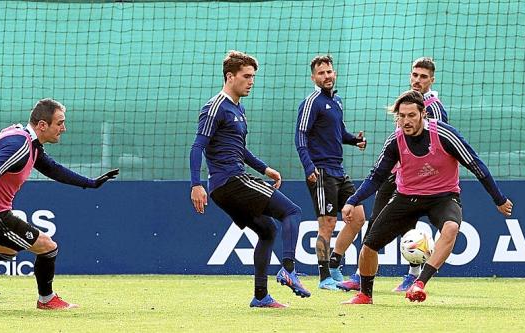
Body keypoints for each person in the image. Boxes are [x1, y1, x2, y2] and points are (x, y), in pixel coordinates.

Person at [0, 98, 119, 310]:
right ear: (42, 125)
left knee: (6, 250)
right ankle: (46, 299)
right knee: (48, 247)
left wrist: (90, 183)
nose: (63, 128)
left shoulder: (29, 142)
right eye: (60, 123)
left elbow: (53, 169)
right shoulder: (19, 145)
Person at [341, 90, 512, 304]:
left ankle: (419, 283)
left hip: (443, 197)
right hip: (406, 197)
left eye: (411, 115)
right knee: (368, 246)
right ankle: (365, 295)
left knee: (451, 228)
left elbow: (476, 165)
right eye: (402, 116)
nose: (406, 121)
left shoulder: (445, 135)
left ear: (423, 114)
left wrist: (499, 198)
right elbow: (376, 177)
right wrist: (352, 201)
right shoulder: (395, 141)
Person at [190, 50, 308, 308]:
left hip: (229, 184)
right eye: (246, 76)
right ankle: (289, 269)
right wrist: (196, 184)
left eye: (253, 76)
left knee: (267, 230)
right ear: (230, 77)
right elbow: (197, 147)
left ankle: (261, 296)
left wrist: (266, 169)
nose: (251, 81)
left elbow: (239, 149)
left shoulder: (238, 109)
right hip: (229, 181)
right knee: (292, 211)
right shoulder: (215, 108)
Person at [337, 57, 449, 292]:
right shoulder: (407, 102)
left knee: (411, 227)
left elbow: (436, 143)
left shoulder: (434, 108)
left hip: (418, 180)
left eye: (423, 77)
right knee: (376, 222)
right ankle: (360, 275)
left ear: (432, 80)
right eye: (415, 75)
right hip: (394, 174)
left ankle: (413, 275)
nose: (418, 80)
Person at [294, 55, 367, 291]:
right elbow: (301, 136)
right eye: (322, 73)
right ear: (313, 77)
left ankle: (335, 263)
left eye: (330, 72)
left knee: (357, 218)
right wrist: (308, 167)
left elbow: (338, 132)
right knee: (327, 224)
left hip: (339, 169)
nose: (327, 76)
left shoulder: (337, 101)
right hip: (321, 171)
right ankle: (324, 277)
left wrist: (354, 140)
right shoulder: (311, 102)